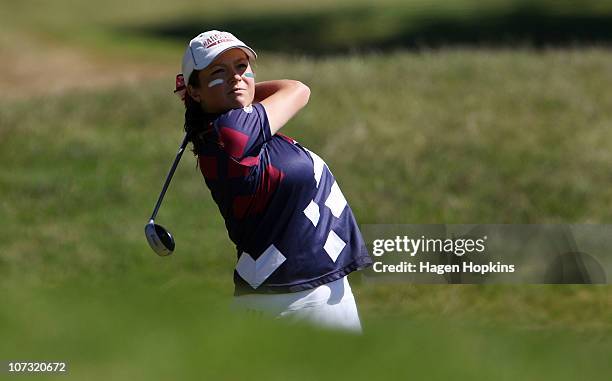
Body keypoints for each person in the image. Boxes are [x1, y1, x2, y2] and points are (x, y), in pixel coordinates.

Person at [175, 30, 372, 332]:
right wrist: (238, 92)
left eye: (241, 67)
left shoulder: (230, 128)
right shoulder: (233, 131)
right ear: (195, 91)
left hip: (300, 290)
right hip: (297, 299)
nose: (235, 77)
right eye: (218, 72)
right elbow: (297, 89)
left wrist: (220, 92)